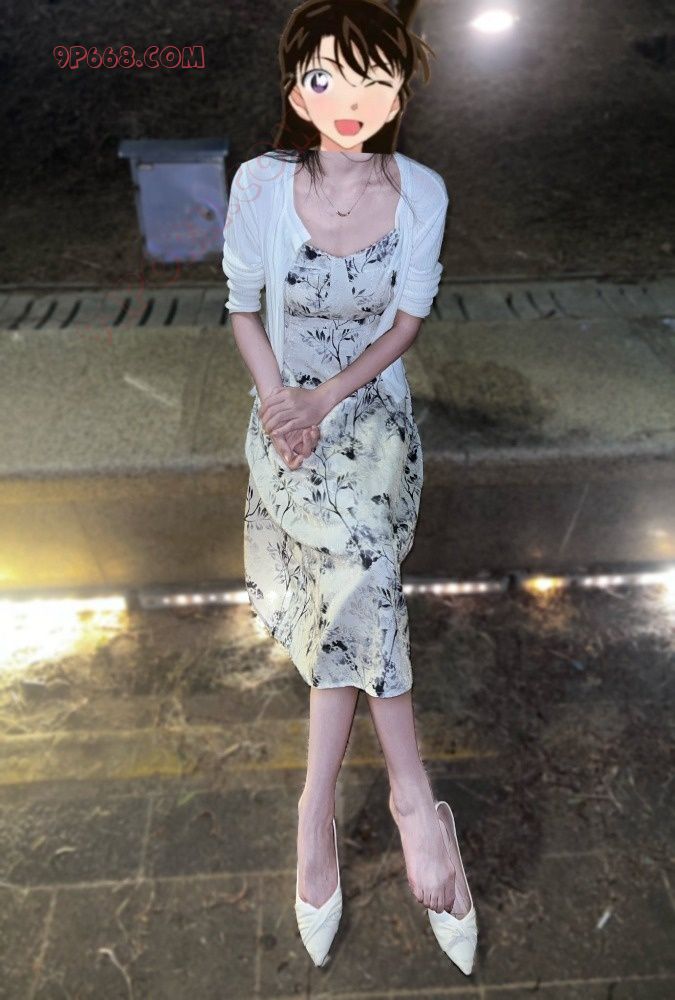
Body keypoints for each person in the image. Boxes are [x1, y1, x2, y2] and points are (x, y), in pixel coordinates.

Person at [222, 0, 477, 973]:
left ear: (400, 94)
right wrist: (281, 403)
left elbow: (404, 326)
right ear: (296, 89)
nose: (347, 100)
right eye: (324, 77)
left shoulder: (420, 192)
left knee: (360, 557)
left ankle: (321, 810)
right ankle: (414, 803)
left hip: (369, 415)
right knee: (359, 580)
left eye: (373, 80)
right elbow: (243, 310)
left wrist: (326, 398)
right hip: (283, 413)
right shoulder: (260, 182)